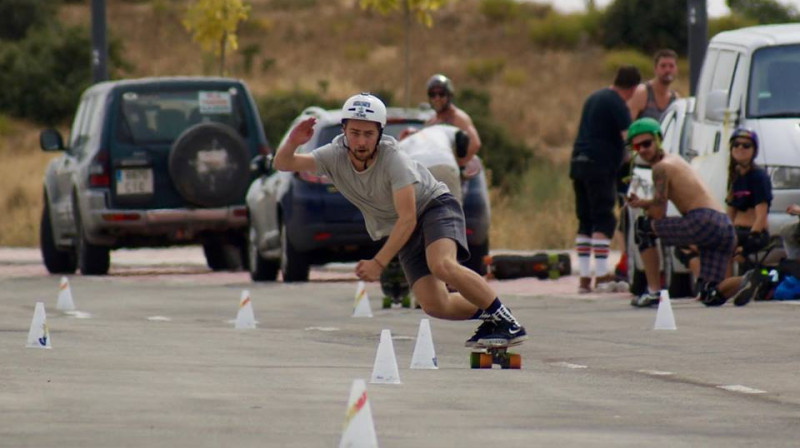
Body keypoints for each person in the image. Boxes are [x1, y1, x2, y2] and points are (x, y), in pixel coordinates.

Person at [272, 93, 526, 347]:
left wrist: (379, 263)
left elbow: (408, 218)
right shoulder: (334, 155)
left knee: (441, 264)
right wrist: (292, 142)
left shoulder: (393, 159)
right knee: (435, 305)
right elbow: (283, 163)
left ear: (380, 133)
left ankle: (507, 322)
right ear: (344, 130)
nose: (361, 141)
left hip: (433, 207)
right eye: (355, 132)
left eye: (369, 134)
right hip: (403, 227)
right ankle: (492, 312)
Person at [626, 118, 737, 307]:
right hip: (724, 226)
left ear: (658, 140)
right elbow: (661, 203)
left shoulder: (661, 168)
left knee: (643, 228)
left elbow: (658, 214)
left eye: (647, 143)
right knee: (710, 293)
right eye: (637, 146)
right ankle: (751, 280)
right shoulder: (675, 160)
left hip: (702, 220)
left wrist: (642, 205)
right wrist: (644, 202)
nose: (643, 150)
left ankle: (653, 291)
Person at [570, 65, 641, 294]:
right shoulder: (617, 103)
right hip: (599, 165)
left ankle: (584, 276)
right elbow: (627, 138)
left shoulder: (594, 97)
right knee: (603, 218)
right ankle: (600, 275)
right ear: (632, 88)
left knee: (585, 218)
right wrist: (634, 159)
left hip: (578, 162)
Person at [424, 74, 482, 167]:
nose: (437, 98)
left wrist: (458, 164)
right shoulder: (431, 121)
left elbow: (475, 143)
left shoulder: (458, 118)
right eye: (432, 94)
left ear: (449, 95)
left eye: (441, 94)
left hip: (462, 174)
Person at [627, 49, 680, 121]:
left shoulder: (675, 99)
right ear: (655, 69)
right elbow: (628, 125)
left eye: (671, 66)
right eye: (663, 66)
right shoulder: (642, 93)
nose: (667, 70)